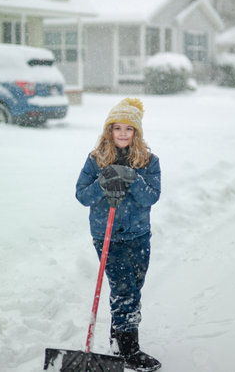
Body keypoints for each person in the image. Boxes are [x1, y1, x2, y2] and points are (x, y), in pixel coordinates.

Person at [76, 98, 161, 371]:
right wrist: (103, 181)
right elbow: (82, 196)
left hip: (138, 235)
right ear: (108, 131)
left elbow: (151, 197)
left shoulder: (149, 161)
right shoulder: (96, 160)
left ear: (136, 133)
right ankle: (129, 349)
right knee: (125, 289)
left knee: (133, 287)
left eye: (129, 128)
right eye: (117, 128)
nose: (123, 133)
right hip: (107, 235)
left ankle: (117, 336)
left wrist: (132, 178)